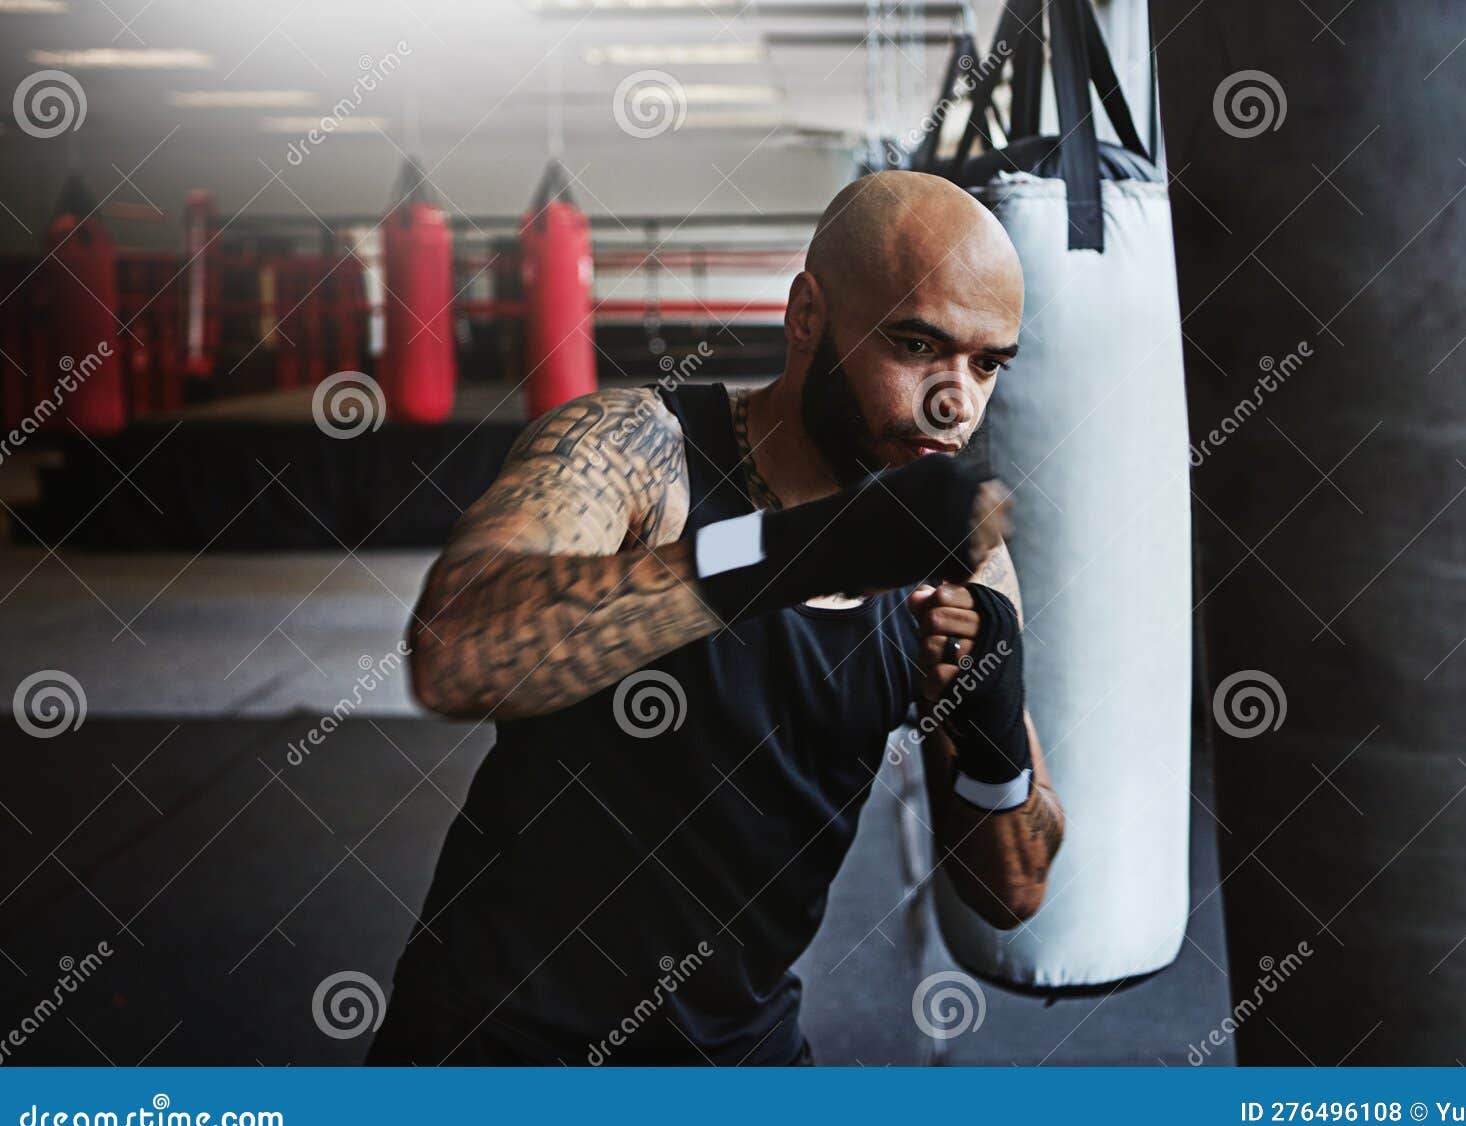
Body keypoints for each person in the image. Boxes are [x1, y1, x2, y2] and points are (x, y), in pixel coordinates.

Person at [368, 170, 1063, 1066]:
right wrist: (802, 548)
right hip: (499, 1041)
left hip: (737, 1055)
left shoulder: (956, 563)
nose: (955, 401)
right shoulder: (638, 450)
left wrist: (995, 735)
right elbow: (454, 650)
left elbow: (1012, 890)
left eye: (986, 364)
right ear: (808, 314)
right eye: (917, 343)